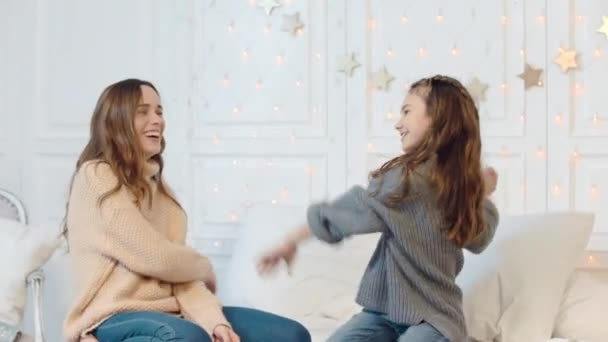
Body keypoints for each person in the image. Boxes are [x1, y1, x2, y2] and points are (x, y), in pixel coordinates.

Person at [62, 78, 312, 342]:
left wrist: (216, 323)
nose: (157, 120)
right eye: (143, 111)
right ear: (118, 121)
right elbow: (154, 257)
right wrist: (203, 266)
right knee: (190, 338)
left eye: (159, 111)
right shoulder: (97, 175)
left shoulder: (163, 196)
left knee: (290, 335)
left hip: (171, 312)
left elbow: (179, 276)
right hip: (112, 317)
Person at [258, 75, 500, 342]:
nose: (398, 123)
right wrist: (291, 241)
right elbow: (344, 213)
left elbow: (479, 238)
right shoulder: (402, 181)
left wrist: (480, 196)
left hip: (435, 319)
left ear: (439, 118)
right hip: (382, 315)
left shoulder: (455, 190)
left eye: (407, 111)